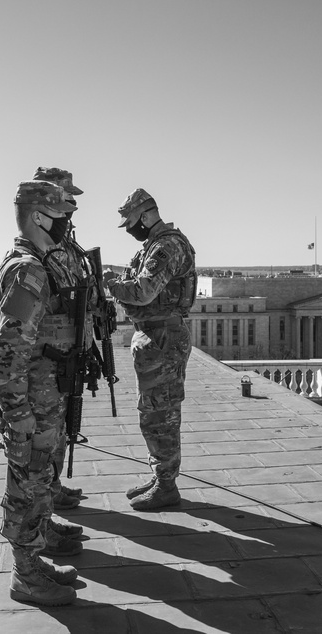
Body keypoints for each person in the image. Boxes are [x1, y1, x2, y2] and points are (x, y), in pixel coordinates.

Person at [0, 180, 81, 607]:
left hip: (44, 395)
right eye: (60, 216)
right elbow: (6, 351)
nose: (66, 223)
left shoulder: (36, 262)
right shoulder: (28, 270)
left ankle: (33, 560)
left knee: (39, 481)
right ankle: (24, 574)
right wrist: (17, 411)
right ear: (40, 216)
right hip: (32, 402)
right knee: (28, 483)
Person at [107, 189, 196, 511]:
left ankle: (167, 485)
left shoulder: (166, 246)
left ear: (145, 216)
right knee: (152, 411)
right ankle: (160, 476)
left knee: (161, 414)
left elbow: (144, 292)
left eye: (131, 222)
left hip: (163, 337)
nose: (130, 229)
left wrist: (110, 284)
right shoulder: (155, 245)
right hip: (155, 335)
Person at [32, 167, 87, 518]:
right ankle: (43, 503)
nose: (71, 204)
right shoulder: (41, 246)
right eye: (66, 196)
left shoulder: (66, 242)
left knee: (61, 426)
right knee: (44, 433)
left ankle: (52, 487)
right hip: (45, 360)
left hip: (67, 352)